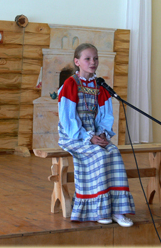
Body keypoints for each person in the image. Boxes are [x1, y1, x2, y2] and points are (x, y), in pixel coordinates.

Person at [57, 43, 135, 227]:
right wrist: (88, 137)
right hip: (74, 136)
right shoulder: (70, 84)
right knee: (99, 154)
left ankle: (116, 209)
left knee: (113, 152)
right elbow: (68, 119)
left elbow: (105, 115)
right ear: (77, 62)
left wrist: (102, 134)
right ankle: (98, 209)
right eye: (88, 59)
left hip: (93, 134)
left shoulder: (99, 85)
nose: (93, 62)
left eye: (96, 58)